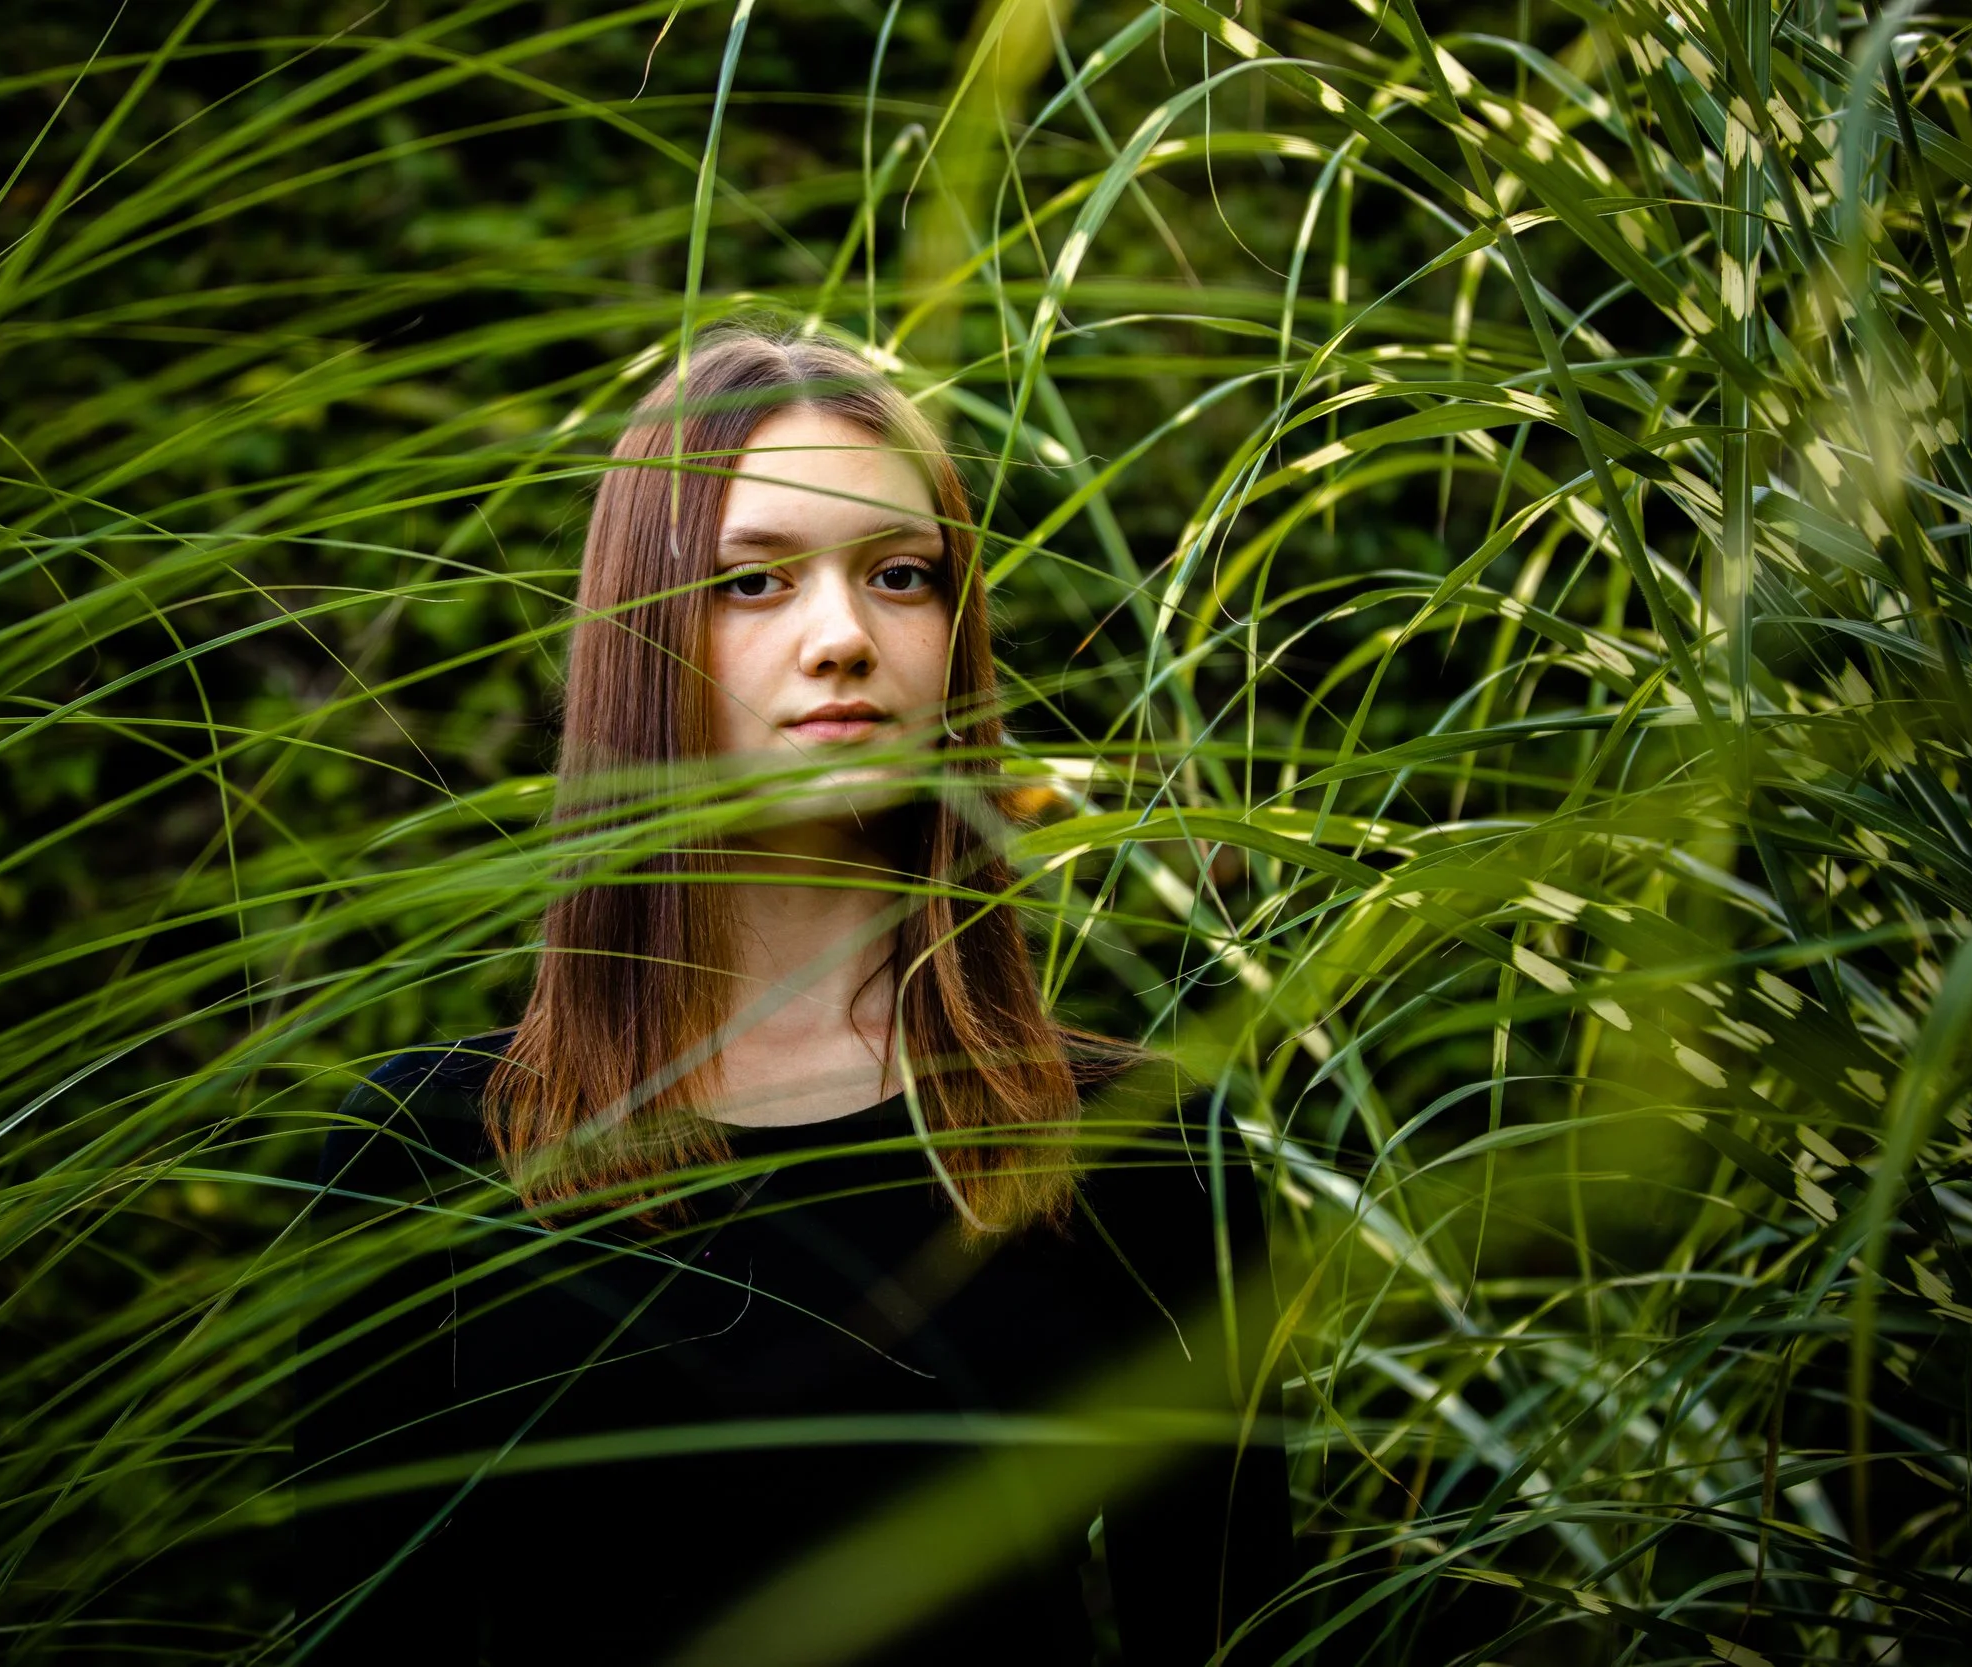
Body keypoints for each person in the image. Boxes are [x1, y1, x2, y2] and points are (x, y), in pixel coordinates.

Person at [295, 325, 1292, 1665]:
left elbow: (1229, 1629)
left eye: (899, 574)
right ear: (643, 636)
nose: (843, 638)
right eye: (754, 580)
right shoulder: (420, 1156)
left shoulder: (1142, 1149)